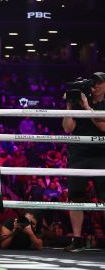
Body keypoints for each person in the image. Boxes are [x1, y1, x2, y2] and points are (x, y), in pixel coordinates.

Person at [62, 71, 105, 252]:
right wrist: (70, 106)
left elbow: (104, 127)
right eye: (92, 83)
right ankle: (77, 239)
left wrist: (87, 108)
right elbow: (67, 128)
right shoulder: (78, 101)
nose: (95, 86)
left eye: (99, 83)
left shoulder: (99, 104)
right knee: (76, 196)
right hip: (79, 154)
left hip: (101, 155)